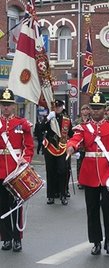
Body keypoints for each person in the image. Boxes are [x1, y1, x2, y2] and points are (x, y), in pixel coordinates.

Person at [66, 90, 109, 256]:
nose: (95, 111)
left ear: (104, 110)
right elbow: (76, 139)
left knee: (108, 207)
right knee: (92, 209)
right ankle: (96, 242)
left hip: (108, 172)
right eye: (93, 107)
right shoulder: (83, 128)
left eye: (99, 108)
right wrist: (71, 147)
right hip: (90, 172)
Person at [0, 88, 34, 252]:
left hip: (15, 170)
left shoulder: (22, 124)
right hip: (0, 170)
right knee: (2, 206)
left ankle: (17, 237)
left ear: (14, 106)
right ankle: (6, 238)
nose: (6, 108)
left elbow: (29, 146)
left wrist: (25, 160)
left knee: (16, 207)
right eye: (3, 104)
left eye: (8, 105)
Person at [42, 100, 73, 205]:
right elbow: (40, 129)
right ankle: (50, 196)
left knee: (62, 171)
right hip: (50, 147)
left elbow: (71, 133)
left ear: (62, 107)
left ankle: (63, 194)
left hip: (62, 147)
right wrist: (47, 118)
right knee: (50, 171)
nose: (57, 108)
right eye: (55, 107)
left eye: (59, 106)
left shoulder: (66, 119)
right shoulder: (49, 117)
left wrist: (73, 146)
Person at [74, 104, 91, 189]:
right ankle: (80, 181)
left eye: (86, 109)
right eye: (83, 109)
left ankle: (87, 181)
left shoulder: (91, 121)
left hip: (88, 146)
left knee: (89, 166)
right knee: (79, 165)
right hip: (80, 147)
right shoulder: (77, 121)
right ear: (81, 111)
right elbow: (74, 133)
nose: (85, 111)